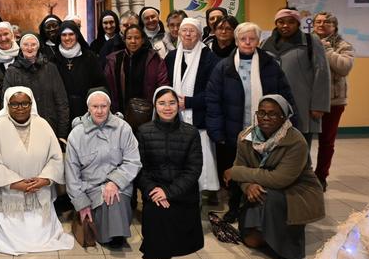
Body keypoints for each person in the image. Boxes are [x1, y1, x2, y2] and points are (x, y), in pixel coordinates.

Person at [206, 22, 297, 223]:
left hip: (267, 129)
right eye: (243, 39)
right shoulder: (224, 67)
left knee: (262, 169)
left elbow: (285, 95)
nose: (247, 42)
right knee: (235, 169)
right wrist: (217, 131)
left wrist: (292, 122)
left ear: (258, 41)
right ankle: (234, 206)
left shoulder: (270, 64)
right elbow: (213, 100)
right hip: (234, 130)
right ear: (236, 41)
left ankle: (259, 208)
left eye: (252, 38)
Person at [0, 86, 74, 255]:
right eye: (14, 104)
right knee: (12, 243)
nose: (20, 108)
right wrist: (14, 183)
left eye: (25, 103)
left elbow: (56, 159)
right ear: (7, 104)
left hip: (38, 191)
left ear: (31, 103)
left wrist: (44, 179)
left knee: (40, 239)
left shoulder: (43, 125)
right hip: (8, 195)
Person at [226, 95, 325, 259]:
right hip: (261, 186)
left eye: (272, 114)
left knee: (268, 195)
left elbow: (279, 179)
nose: (265, 118)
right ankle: (266, 231)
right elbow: (240, 167)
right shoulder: (245, 137)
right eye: (261, 113)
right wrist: (248, 186)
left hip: (295, 190)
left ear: (284, 117)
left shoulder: (296, 141)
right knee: (252, 241)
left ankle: (289, 249)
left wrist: (237, 173)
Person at [65, 90, 142, 249]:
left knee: (115, 199)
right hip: (90, 188)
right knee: (101, 217)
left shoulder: (123, 128)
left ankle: (116, 235)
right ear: (88, 108)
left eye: (103, 106)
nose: (99, 111)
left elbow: (133, 161)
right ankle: (109, 233)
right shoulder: (76, 135)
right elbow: (72, 174)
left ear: (110, 106)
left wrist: (114, 182)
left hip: (119, 185)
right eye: (95, 106)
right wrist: (81, 203)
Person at [136, 86, 203, 259]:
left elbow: (193, 169)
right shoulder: (143, 131)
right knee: (157, 221)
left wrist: (169, 192)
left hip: (183, 192)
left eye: (172, 103)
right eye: (162, 103)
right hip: (155, 191)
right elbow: (140, 169)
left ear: (178, 105)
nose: (167, 107)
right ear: (155, 106)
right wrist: (154, 191)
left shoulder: (191, 132)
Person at [165, 18, 221, 195]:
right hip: (175, 116)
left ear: (199, 34)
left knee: (201, 158)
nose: (188, 34)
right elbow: (165, 83)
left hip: (200, 117)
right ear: (179, 33)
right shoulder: (171, 57)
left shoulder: (210, 58)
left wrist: (189, 102)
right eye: (184, 30)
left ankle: (203, 193)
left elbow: (214, 91)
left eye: (192, 31)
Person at [261, 8, 331, 148]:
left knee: (300, 147)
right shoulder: (265, 43)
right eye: (281, 22)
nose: (285, 25)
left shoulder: (310, 41)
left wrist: (318, 105)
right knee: (273, 148)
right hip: (273, 104)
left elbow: (322, 72)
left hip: (302, 105)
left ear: (298, 24)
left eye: (291, 22)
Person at [312, 12, 355, 191]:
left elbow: (344, 67)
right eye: (318, 21)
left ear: (334, 26)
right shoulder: (306, 42)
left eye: (326, 22)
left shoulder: (343, 45)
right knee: (302, 140)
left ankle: (321, 176)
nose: (321, 24)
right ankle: (303, 176)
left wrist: (327, 50)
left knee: (326, 142)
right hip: (309, 101)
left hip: (333, 102)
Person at [3, 34, 70, 140]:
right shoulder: (12, 72)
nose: (29, 48)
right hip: (21, 129)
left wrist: (62, 134)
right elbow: (6, 104)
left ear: (38, 47)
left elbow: (61, 102)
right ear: (20, 47)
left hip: (49, 127)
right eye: (26, 44)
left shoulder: (50, 69)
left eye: (33, 44)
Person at [104, 24, 168, 115]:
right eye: (129, 38)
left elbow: (163, 85)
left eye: (137, 38)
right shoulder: (114, 59)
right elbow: (108, 86)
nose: (133, 41)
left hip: (149, 112)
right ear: (124, 40)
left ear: (142, 40)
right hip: (120, 112)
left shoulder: (154, 59)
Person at [54, 21, 107, 121]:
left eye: (71, 34)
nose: (67, 38)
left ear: (77, 35)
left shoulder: (89, 57)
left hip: (87, 109)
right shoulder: (54, 59)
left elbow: (100, 83)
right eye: (64, 35)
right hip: (62, 111)